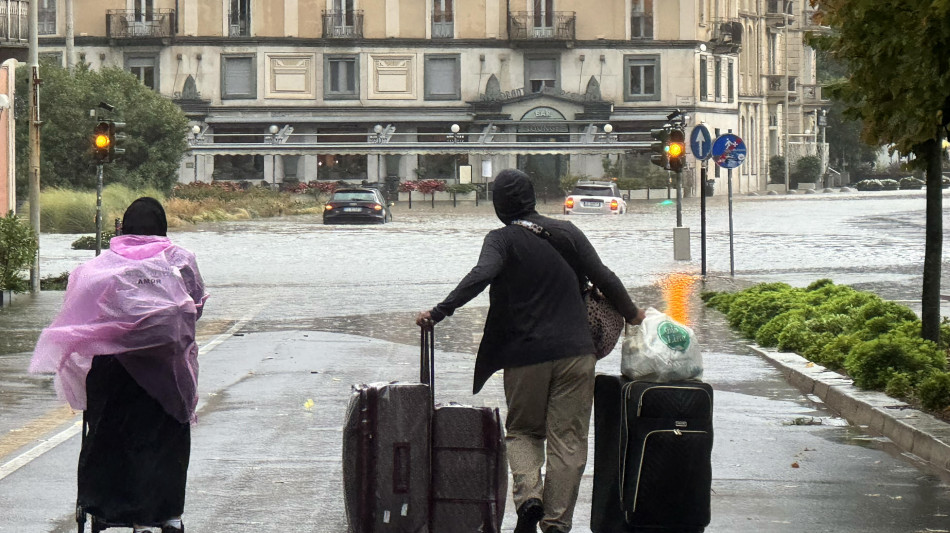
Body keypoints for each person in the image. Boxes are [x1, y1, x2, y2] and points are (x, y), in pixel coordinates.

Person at [416, 169, 645, 533]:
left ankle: (529, 497)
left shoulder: (501, 240)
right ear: (533, 198)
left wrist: (439, 312)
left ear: (499, 205)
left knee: (523, 431)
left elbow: (481, 275)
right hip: (576, 353)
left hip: (525, 356)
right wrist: (634, 315)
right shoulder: (568, 232)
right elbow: (604, 276)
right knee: (567, 440)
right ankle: (555, 523)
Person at [30, 197, 208, 533]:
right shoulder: (180, 260)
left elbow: (82, 311)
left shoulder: (100, 267)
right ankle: (166, 513)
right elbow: (196, 306)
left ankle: (115, 508)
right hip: (168, 371)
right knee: (166, 439)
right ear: (162, 226)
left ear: (124, 227)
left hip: (114, 372)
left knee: (111, 437)